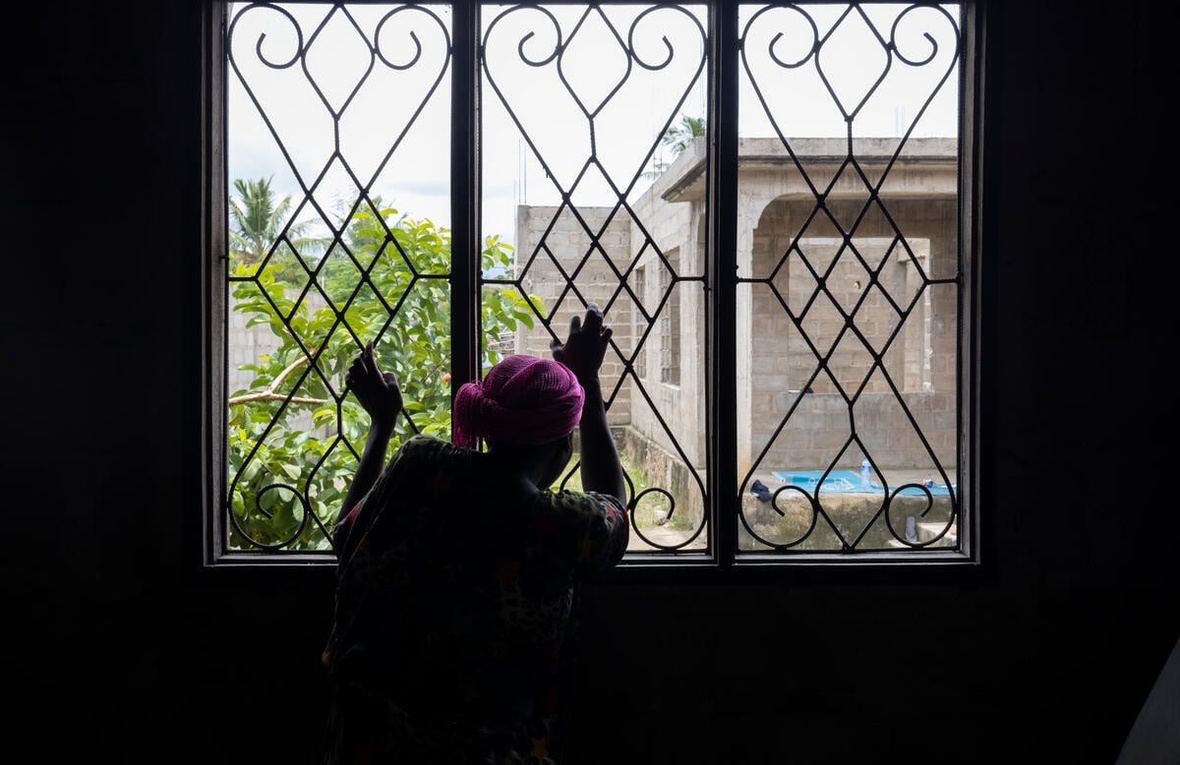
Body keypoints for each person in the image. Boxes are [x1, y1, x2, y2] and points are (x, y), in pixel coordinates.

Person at [321, 303, 629, 765]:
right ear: (565, 446)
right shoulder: (562, 524)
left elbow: (348, 542)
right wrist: (587, 381)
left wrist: (381, 425)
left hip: (370, 740)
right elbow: (615, 511)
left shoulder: (420, 464)